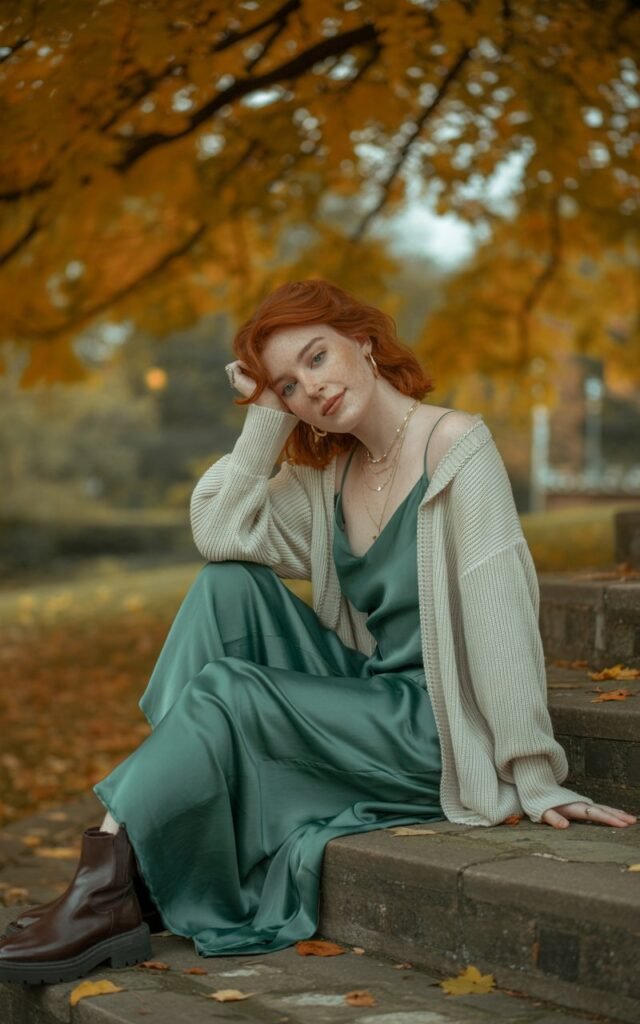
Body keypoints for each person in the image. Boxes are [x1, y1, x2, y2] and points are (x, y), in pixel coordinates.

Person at [0, 278, 635, 986]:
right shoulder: (328, 477)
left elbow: (502, 613)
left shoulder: (456, 448)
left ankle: (110, 879)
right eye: (291, 386)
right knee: (226, 587)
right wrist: (264, 419)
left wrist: (534, 774)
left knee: (231, 691)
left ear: (362, 342)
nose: (313, 388)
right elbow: (219, 533)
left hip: (432, 730)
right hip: (367, 698)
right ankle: (127, 862)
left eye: (317, 357)